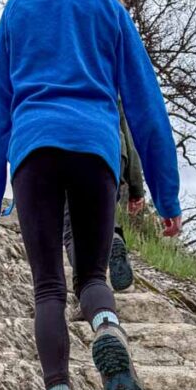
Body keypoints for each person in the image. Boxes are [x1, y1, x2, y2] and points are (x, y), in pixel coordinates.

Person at [0, 0, 182, 390]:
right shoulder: (108, 9)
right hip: (94, 149)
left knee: (48, 287)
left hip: (33, 150)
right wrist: (164, 190)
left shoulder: (18, 10)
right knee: (91, 276)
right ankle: (107, 328)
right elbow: (145, 103)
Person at [64, 105, 145, 301]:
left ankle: (88, 291)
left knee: (72, 226)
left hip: (68, 144)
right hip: (112, 149)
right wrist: (136, 187)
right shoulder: (110, 78)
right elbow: (128, 133)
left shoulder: (54, 76)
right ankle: (113, 236)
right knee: (101, 214)